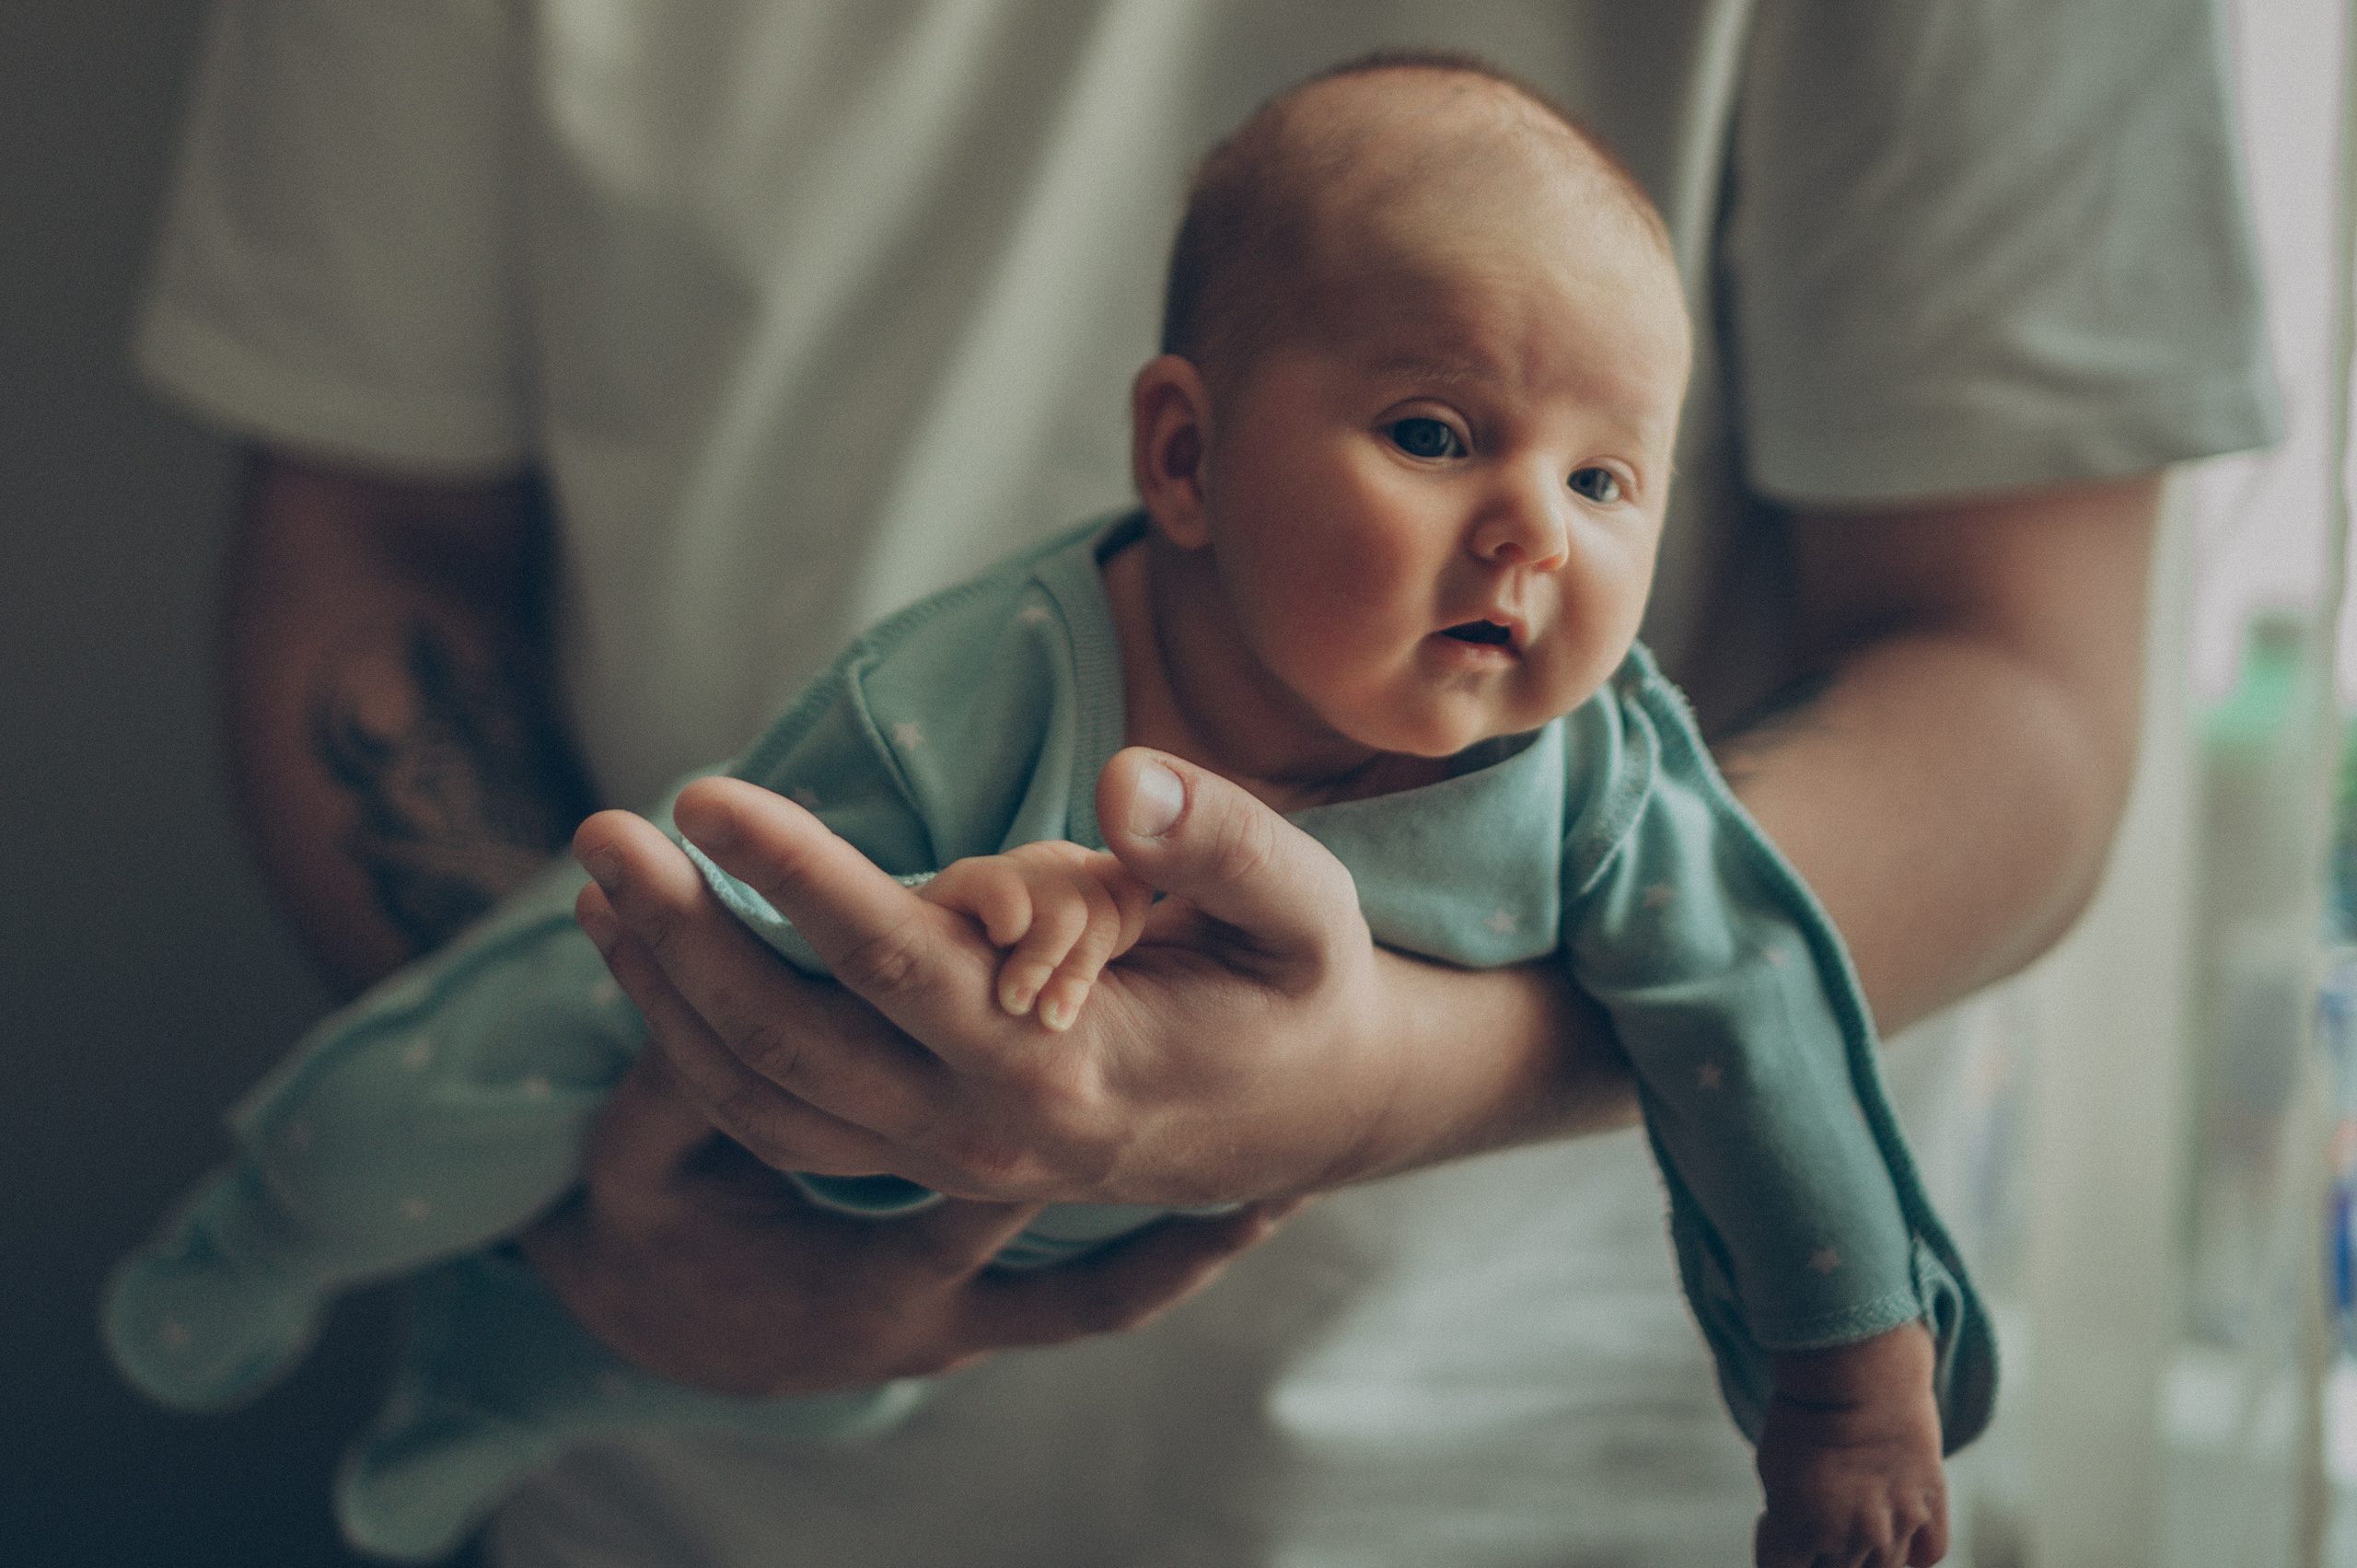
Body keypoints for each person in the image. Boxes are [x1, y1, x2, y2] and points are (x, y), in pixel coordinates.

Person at [138, 2, 2277, 1562]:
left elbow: (1883, 888)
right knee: (505, 1027)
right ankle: (332, 1257)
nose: (1533, 534)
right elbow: (370, 562)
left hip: (1549, 1488)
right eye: (1436, 437)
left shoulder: (1609, 795)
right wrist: (628, 1210)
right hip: (698, 1363)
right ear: (1178, 458)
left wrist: (1836, 1398)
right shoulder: (985, 675)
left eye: (1605, 477)